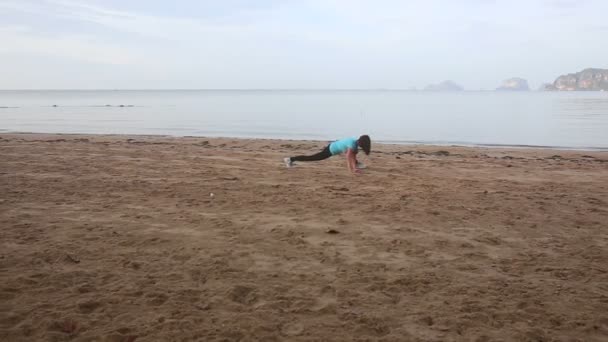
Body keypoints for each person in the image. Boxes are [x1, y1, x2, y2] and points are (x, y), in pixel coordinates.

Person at [283, 135, 371, 174]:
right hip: (330, 150)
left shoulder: (354, 142)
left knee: (354, 152)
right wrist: (351, 170)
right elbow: (348, 156)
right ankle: (290, 159)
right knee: (312, 158)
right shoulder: (352, 144)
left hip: (333, 145)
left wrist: (354, 167)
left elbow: (352, 155)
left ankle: (357, 165)